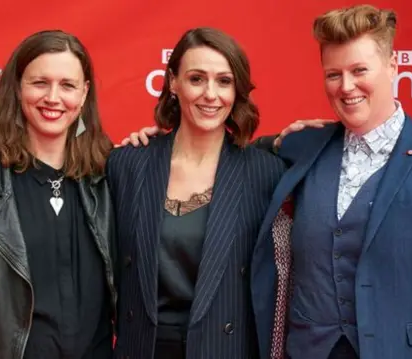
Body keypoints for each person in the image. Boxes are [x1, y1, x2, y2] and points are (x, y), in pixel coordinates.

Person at [252, 5, 412, 359]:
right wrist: (155, 143)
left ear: (392, 66)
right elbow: (232, 156)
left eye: (359, 70)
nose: (346, 87)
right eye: (333, 74)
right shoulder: (302, 147)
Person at [0, 30, 117, 359]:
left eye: (67, 85)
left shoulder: (111, 178)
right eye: (39, 83)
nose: (53, 98)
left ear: (84, 94)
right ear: (17, 87)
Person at [106, 27, 286, 359]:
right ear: (173, 82)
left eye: (224, 81)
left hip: (225, 348)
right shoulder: (126, 164)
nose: (210, 94)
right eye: (196, 79)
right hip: (142, 349)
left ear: (238, 90)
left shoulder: (266, 173)